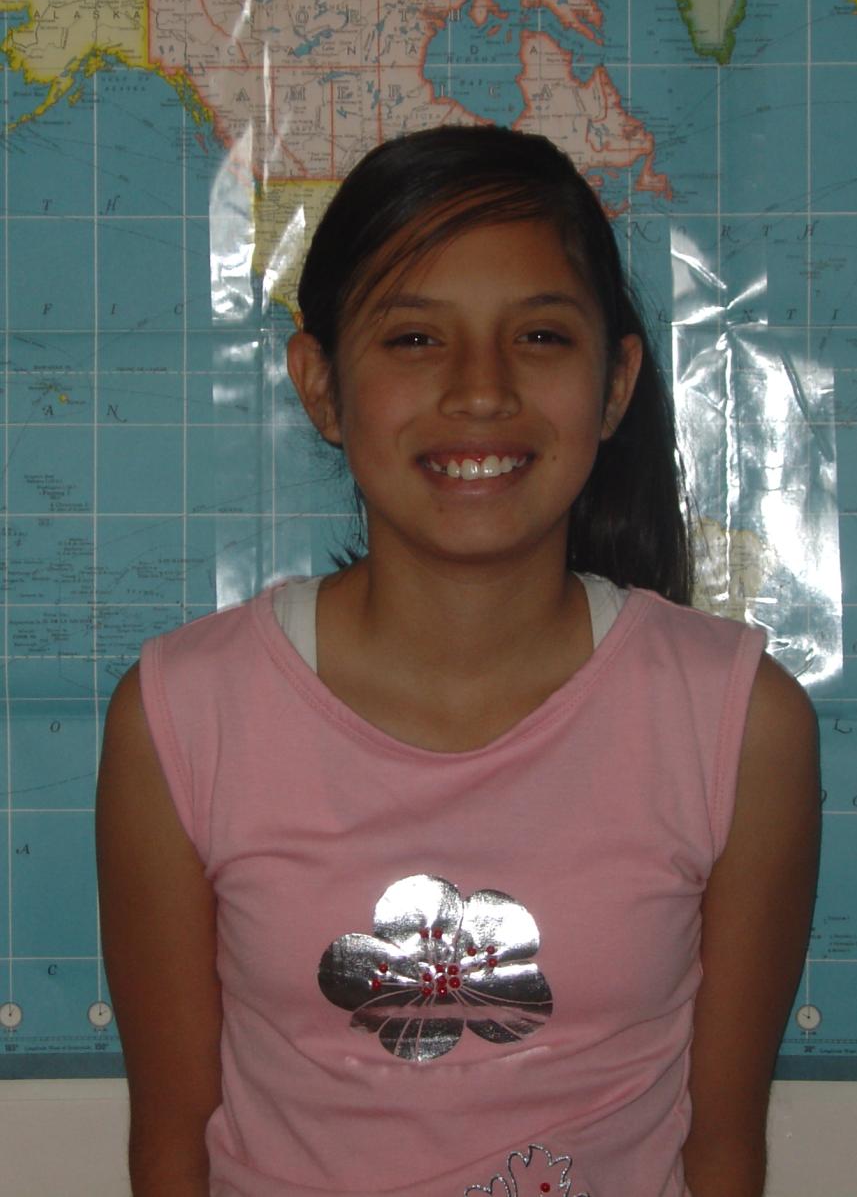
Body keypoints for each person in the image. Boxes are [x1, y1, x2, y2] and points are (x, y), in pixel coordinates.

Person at [96, 125, 819, 1197]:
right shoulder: (181, 716)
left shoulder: (736, 721)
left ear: (616, 383)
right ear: (322, 384)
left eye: (538, 336)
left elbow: (721, 1146)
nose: (481, 390)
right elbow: (170, 1139)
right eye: (414, 340)